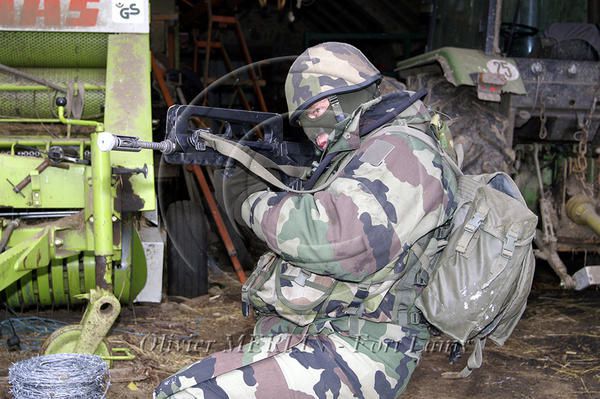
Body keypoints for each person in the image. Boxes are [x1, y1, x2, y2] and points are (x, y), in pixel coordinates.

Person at [155, 42, 458, 399]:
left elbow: (336, 240)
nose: (316, 132)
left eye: (317, 110)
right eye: (304, 121)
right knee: (174, 388)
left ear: (352, 93)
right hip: (322, 331)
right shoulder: (361, 151)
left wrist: (250, 201)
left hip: (362, 350)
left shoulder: (403, 150)